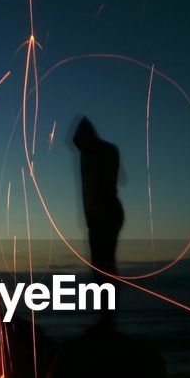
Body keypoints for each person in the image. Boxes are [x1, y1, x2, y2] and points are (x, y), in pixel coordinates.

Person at [72, 116, 124, 281]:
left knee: (105, 266)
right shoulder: (85, 156)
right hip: (96, 219)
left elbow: (108, 182)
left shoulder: (105, 151)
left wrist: (99, 209)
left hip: (107, 215)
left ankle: (107, 303)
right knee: (100, 267)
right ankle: (105, 303)